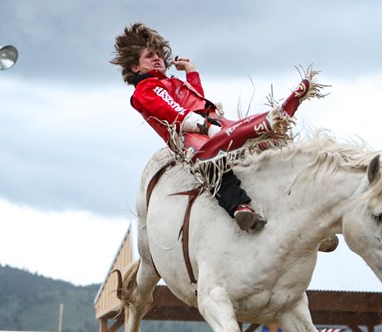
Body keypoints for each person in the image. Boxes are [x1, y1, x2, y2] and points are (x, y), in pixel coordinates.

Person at [111, 23, 315, 232]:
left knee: (258, 148)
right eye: (149, 56)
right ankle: (239, 206)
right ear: (135, 67)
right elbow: (172, 112)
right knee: (212, 161)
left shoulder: (171, 83)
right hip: (188, 135)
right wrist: (204, 126)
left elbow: (197, 101)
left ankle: (271, 137)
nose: (157, 58)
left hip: (209, 122)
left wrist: (191, 73)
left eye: (158, 55)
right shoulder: (146, 88)